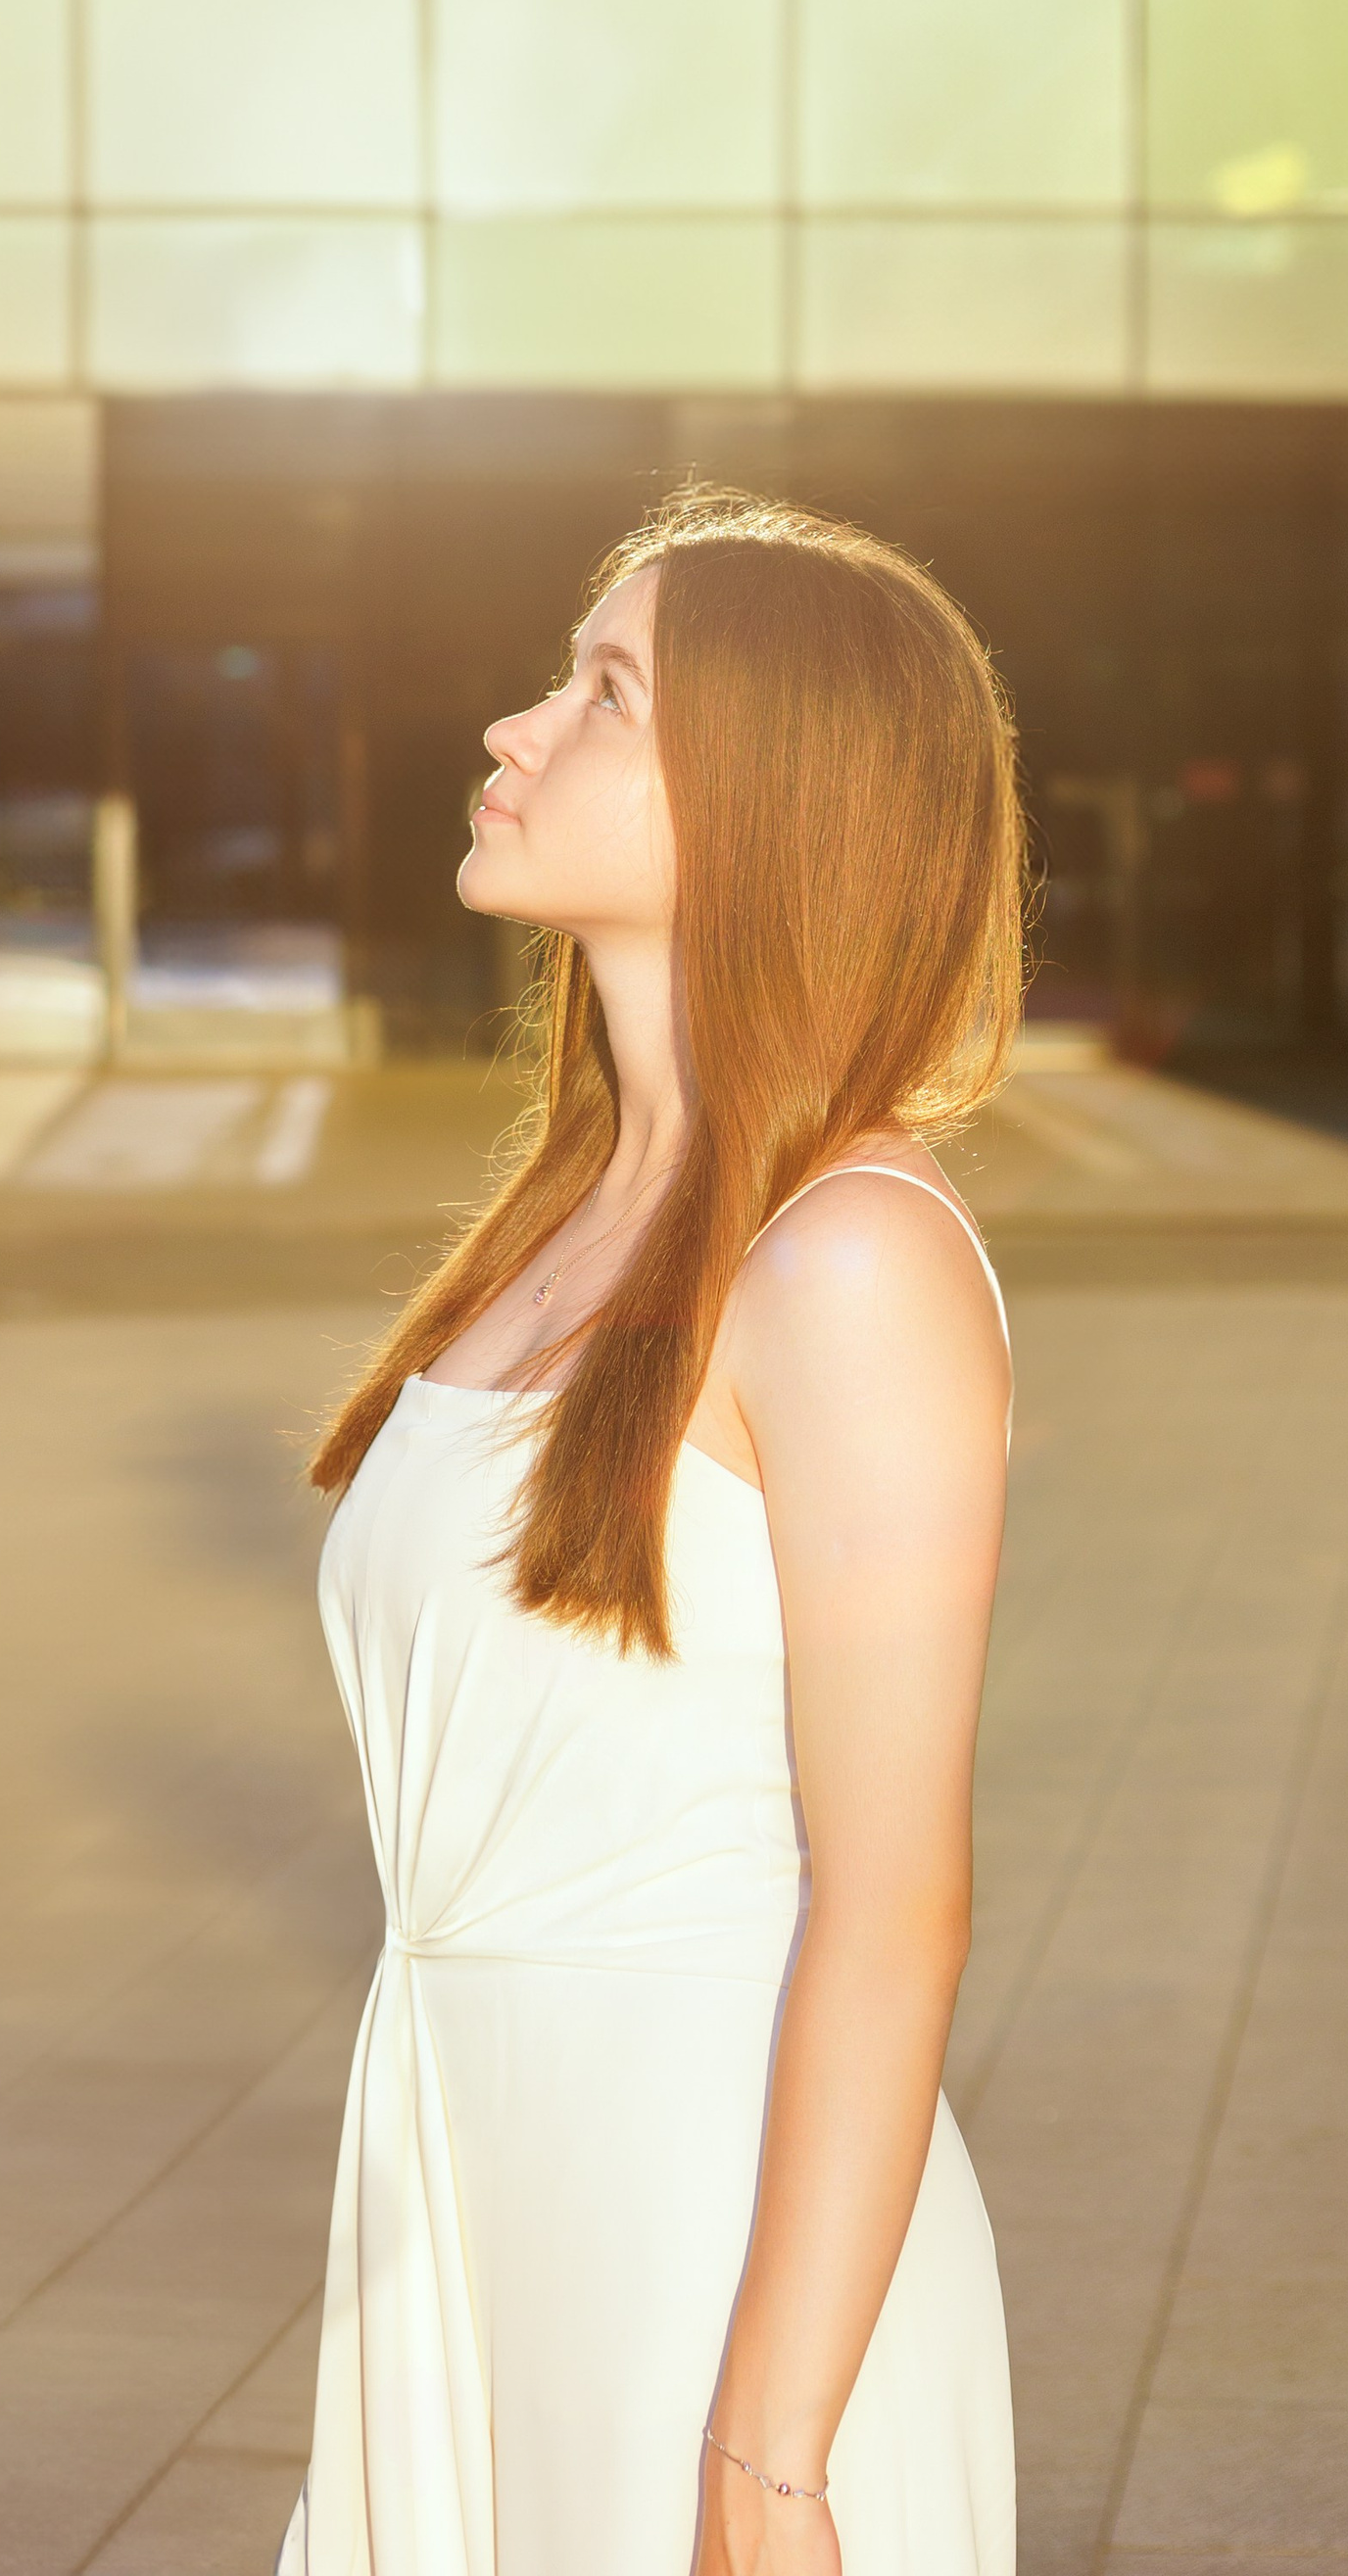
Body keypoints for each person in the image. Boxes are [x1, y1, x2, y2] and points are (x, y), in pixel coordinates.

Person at [277, 488, 1021, 2576]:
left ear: (772, 800)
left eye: (603, 692)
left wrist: (770, 2460)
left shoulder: (848, 1261)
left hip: (710, 2245)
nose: (515, 730)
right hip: (465, 2179)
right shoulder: (571, 1210)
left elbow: (894, 1905)